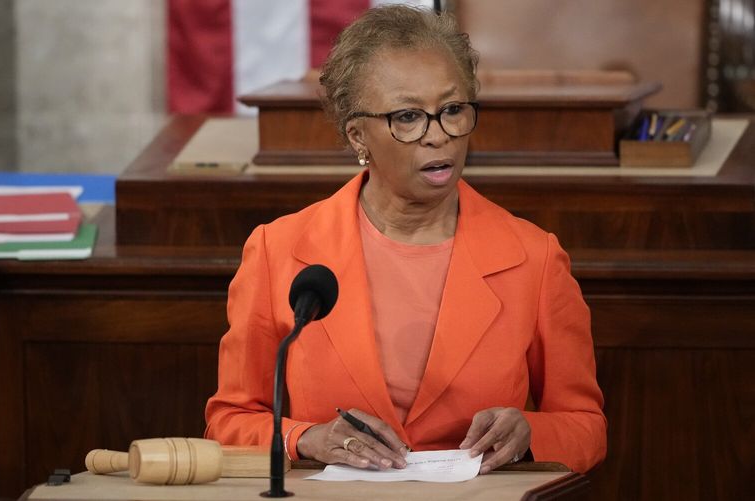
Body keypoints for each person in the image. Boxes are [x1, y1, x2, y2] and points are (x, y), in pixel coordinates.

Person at [205, 5, 606, 474]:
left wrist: (530, 434)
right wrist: (307, 438)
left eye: (453, 110)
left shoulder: (534, 259)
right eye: (409, 116)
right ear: (358, 136)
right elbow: (229, 421)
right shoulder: (279, 251)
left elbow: (586, 427)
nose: (439, 136)